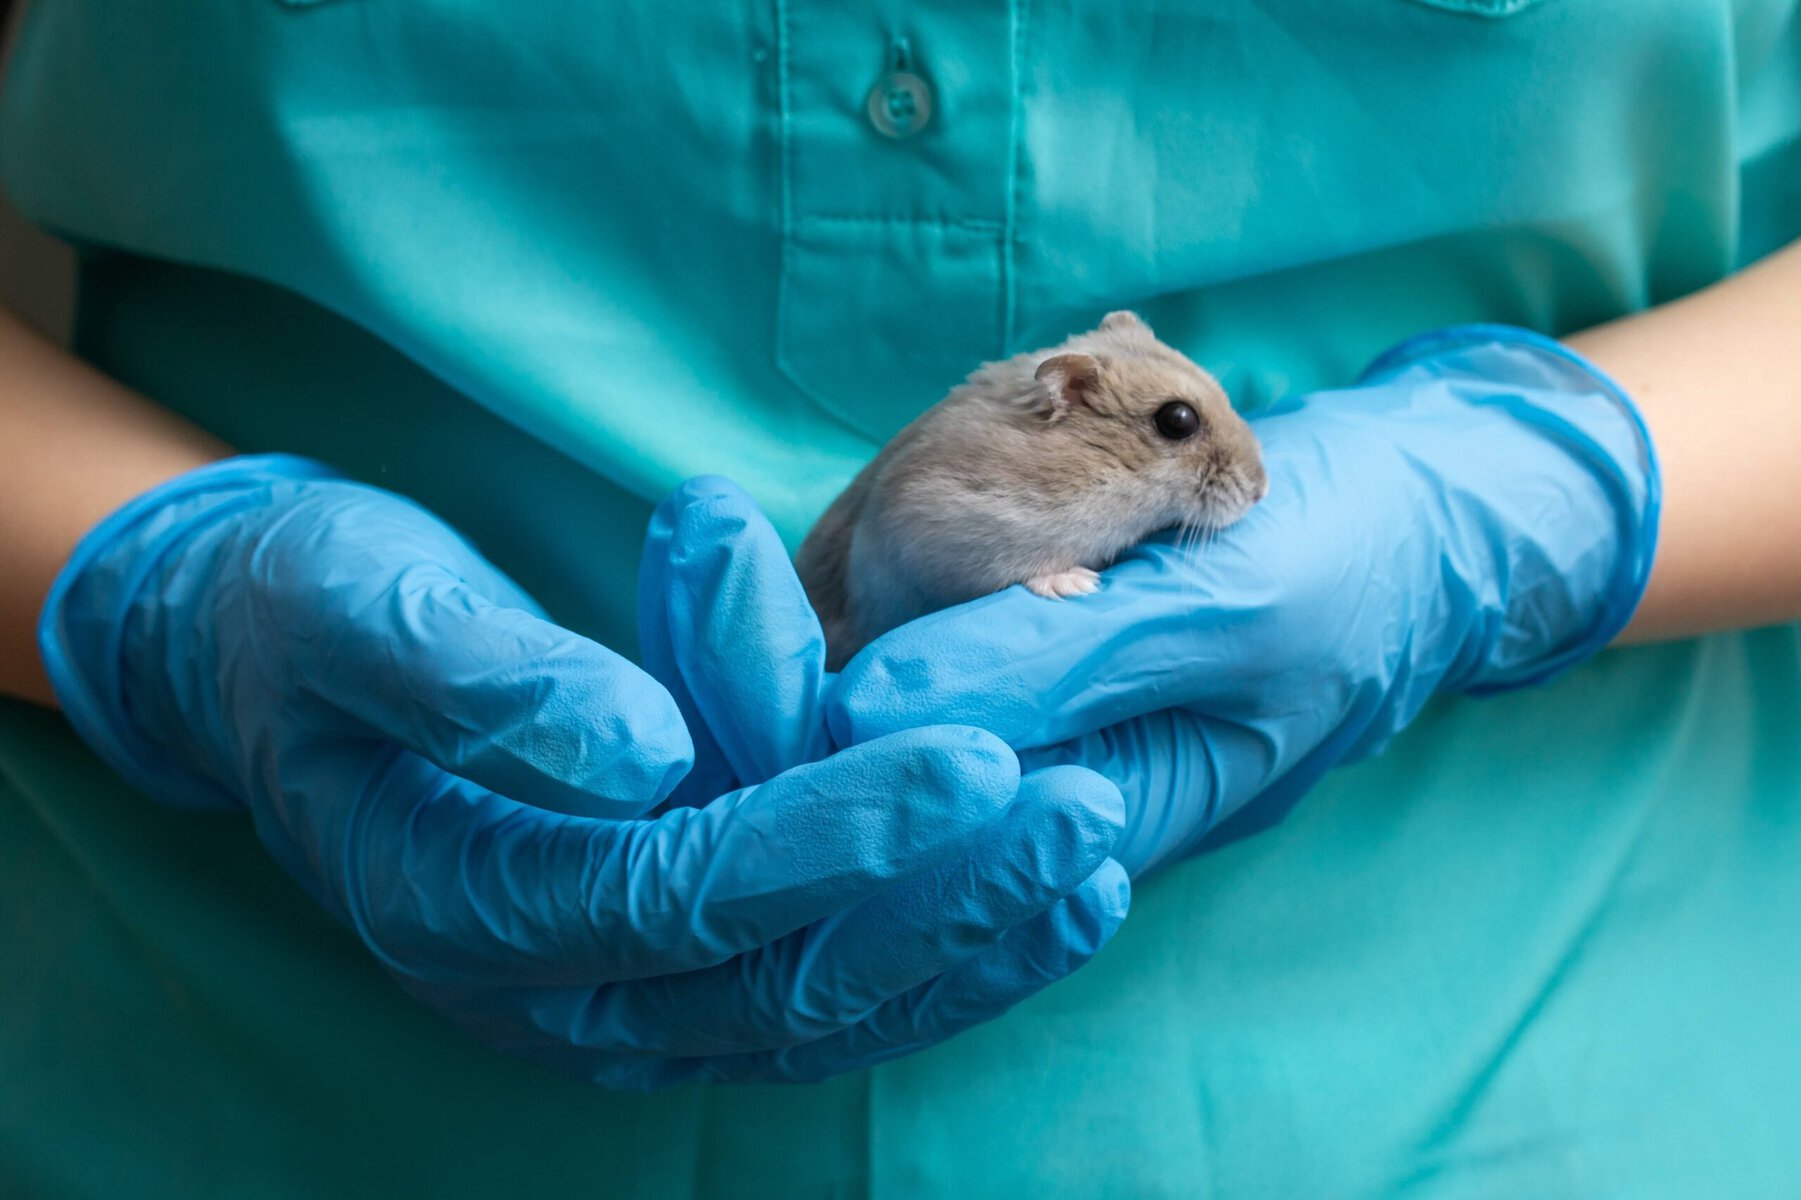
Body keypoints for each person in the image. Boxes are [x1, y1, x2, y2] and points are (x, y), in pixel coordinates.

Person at [2, 1, 1800, 1195]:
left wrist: (1509, 502)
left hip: (1497, 1082)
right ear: (1080, 405)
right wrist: (166, 589)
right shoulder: (1044, 431)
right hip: (276, 1092)